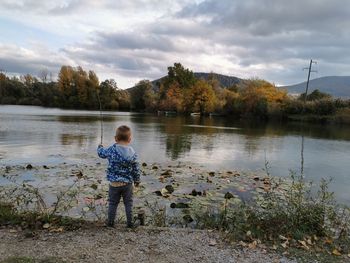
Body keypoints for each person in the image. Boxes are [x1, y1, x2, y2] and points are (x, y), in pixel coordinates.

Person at [97, 125, 140, 228]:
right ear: (130, 139)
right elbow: (136, 169)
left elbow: (101, 154)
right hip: (127, 184)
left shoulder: (112, 150)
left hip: (114, 184)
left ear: (116, 138)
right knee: (128, 203)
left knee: (112, 203)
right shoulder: (133, 153)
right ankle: (130, 224)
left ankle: (110, 223)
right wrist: (137, 180)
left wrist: (100, 147)